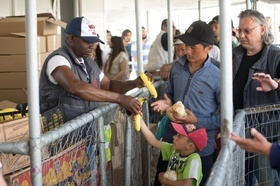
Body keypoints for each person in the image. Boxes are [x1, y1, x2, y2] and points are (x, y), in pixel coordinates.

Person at [39, 16, 151, 122]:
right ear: (71, 38)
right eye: (87, 41)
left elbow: (108, 85)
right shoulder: (58, 59)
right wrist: (119, 98)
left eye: (93, 41)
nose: (92, 45)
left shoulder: (86, 61)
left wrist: (134, 83)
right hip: (61, 134)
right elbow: (75, 87)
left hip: (86, 131)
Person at [151, 20, 220, 186]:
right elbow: (171, 97)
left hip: (201, 148)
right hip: (172, 141)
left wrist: (197, 121)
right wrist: (167, 104)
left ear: (208, 48)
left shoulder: (218, 74)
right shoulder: (176, 68)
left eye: (193, 47)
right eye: (186, 45)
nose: (187, 51)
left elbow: (225, 117)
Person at [232, 9, 280, 186]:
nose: (242, 35)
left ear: (262, 29)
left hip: (266, 134)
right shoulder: (234, 55)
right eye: (239, 30)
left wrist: (276, 84)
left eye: (247, 30)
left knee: (268, 181)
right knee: (243, 179)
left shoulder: (275, 56)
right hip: (239, 132)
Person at [140, 117, 208, 186]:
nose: (174, 137)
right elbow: (153, 141)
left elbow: (186, 184)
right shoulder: (175, 150)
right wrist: (141, 122)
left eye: (179, 136)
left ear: (190, 146)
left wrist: (164, 182)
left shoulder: (194, 160)